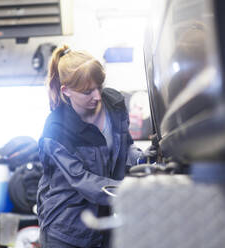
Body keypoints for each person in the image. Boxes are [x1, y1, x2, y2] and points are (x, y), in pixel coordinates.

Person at [37, 45, 153, 248]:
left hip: (102, 224)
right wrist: (132, 192)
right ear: (67, 91)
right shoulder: (56, 129)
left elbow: (125, 147)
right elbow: (83, 181)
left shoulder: (114, 104)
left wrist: (141, 159)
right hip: (65, 231)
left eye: (99, 87)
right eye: (87, 92)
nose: (97, 96)